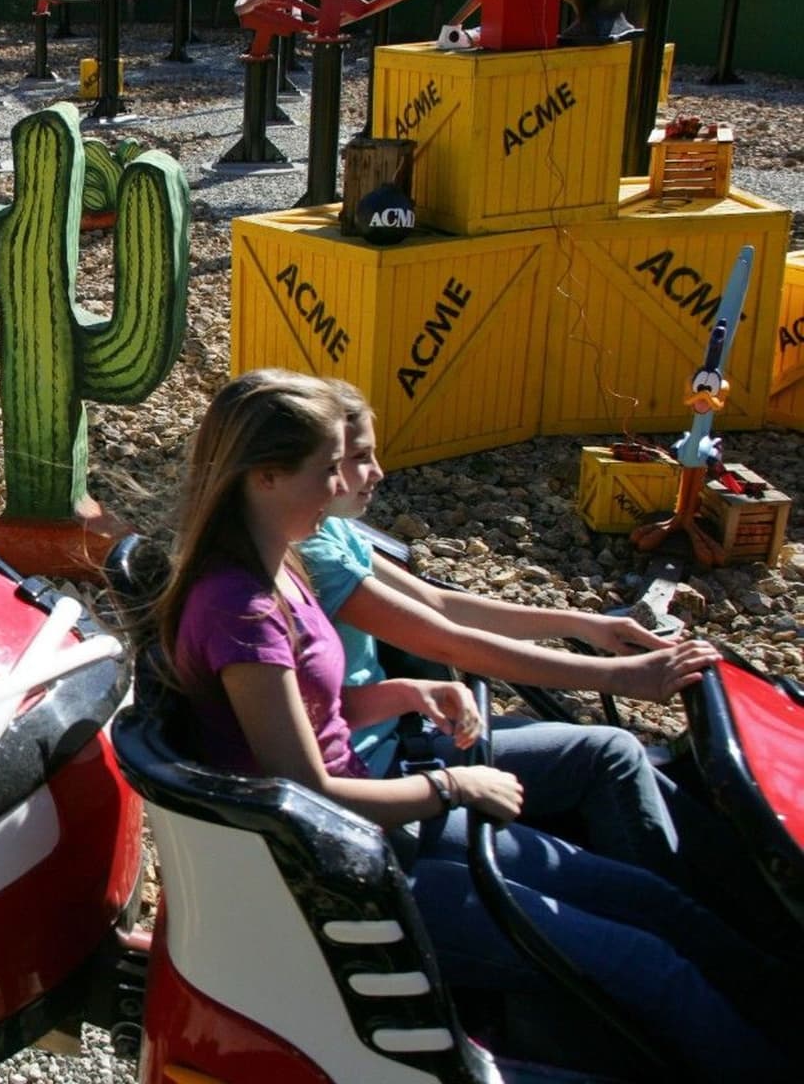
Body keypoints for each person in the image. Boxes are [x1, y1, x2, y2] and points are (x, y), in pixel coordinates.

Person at [152, 368, 792, 1079]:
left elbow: (316, 713)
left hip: (379, 828)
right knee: (647, 964)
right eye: (329, 469)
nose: (344, 485)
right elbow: (309, 789)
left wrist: (399, 693)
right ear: (265, 477)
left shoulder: (284, 564)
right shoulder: (242, 611)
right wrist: (453, 787)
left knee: (650, 904)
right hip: (344, 877)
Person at [301, 379, 790, 929]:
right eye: (358, 458)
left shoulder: (334, 527)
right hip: (378, 770)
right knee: (615, 795)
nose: (378, 472)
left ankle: (742, 903)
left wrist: (587, 626)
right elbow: (446, 641)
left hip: (393, 737)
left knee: (617, 751)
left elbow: (440, 604)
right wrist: (622, 677)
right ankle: (704, 926)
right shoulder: (313, 550)